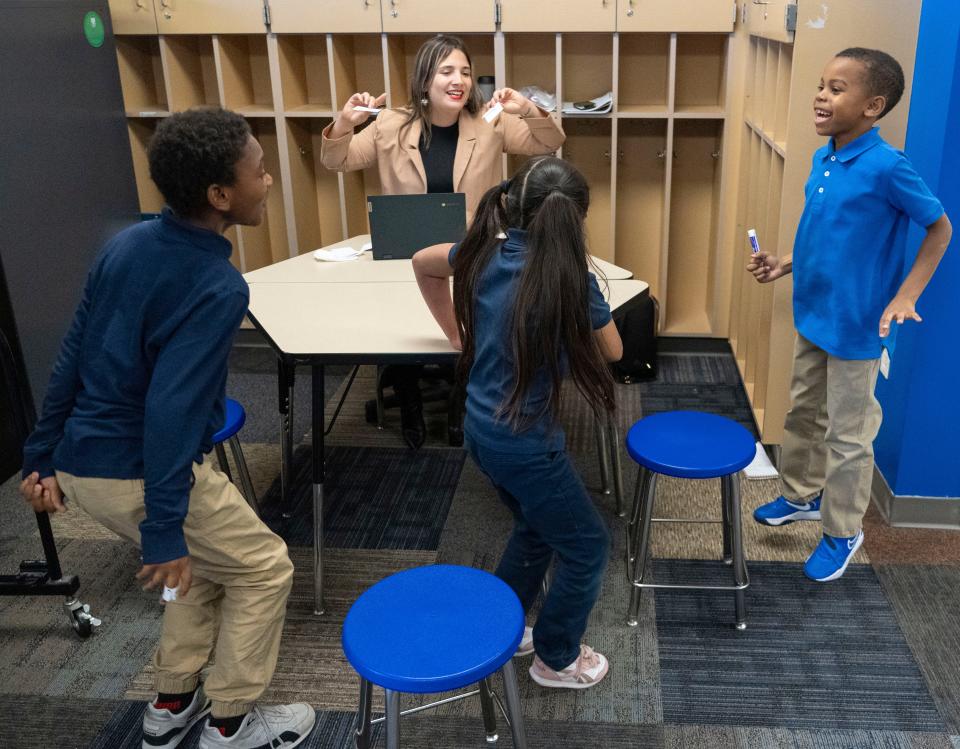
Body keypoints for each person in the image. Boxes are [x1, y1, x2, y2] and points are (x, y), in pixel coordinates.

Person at [19, 107, 316, 749]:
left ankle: (171, 702)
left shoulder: (126, 244)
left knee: (205, 567)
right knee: (264, 567)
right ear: (219, 195)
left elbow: (73, 352)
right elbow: (172, 410)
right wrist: (161, 529)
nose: (267, 182)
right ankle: (233, 722)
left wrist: (40, 455)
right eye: (260, 173)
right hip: (144, 471)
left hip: (85, 464)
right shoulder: (216, 285)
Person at [412, 156, 623, 689]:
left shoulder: (481, 252)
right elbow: (615, 350)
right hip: (527, 445)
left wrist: (456, 333)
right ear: (574, 222)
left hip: (480, 432)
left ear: (509, 204)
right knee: (587, 546)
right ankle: (555, 658)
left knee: (535, 527)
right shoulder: (571, 279)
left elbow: (421, 260)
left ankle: (504, 627)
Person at [748, 48, 952, 582]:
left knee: (848, 436)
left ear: (873, 106)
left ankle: (843, 531)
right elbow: (830, 237)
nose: (821, 95)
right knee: (802, 414)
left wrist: (906, 295)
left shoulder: (888, 166)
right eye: (822, 85)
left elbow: (940, 228)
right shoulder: (827, 157)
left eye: (837, 89)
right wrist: (784, 263)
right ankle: (800, 494)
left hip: (859, 328)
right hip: (815, 313)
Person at [321, 33, 565, 450]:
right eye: (447, 71)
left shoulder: (490, 123)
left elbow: (549, 141)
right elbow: (337, 159)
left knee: (471, 327)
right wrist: (345, 123)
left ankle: (458, 405)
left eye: (465, 72)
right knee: (400, 330)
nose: (459, 80)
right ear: (424, 80)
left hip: (470, 251)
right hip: (407, 253)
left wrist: (525, 107)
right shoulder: (389, 124)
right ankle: (410, 402)